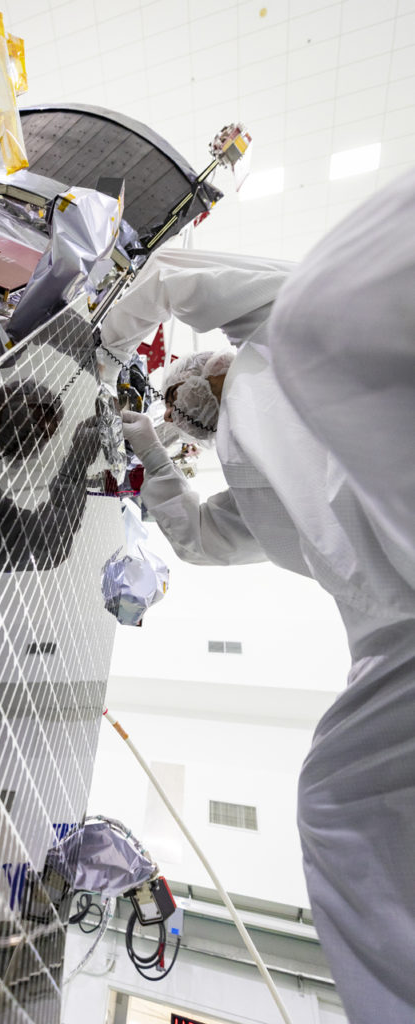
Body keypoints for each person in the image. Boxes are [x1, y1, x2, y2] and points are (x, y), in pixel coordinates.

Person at [98, 245, 415, 1024]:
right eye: (178, 403)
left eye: (179, 393)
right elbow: (201, 539)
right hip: (396, 632)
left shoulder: (283, 320)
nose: (185, 398)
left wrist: (99, 346)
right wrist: (143, 444)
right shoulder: (245, 477)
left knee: (341, 810)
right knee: (339, 808)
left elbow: (172, 278)